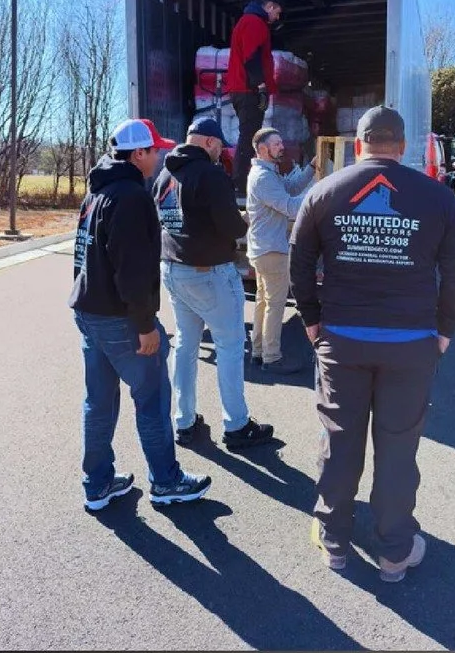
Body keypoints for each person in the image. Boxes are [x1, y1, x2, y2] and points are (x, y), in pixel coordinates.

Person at [290, 106, 455, 582]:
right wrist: (445, 329)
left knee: (340, 439)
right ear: (404, 146)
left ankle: (334, 540)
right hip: (411, 345)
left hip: (343, 341)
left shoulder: (324, 192)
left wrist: (312, 321)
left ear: (358, 144)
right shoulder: (437, 198)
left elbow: (300, 259)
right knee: (397, 448)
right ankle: (394, 550)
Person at [68, 119, 212, 510]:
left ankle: (97, 482)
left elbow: (82, 255)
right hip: (120, 318)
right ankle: (166, 481)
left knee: (98, 401)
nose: (160, 156)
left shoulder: (96, 193)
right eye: (155, 150)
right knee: (151, 399)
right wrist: (145, 325)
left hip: (89, 312)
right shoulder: (131, 197)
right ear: (138, 155)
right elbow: (131, 269)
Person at [157, 116, 277, 452]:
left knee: (185, 345)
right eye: (218, 145)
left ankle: (183, 420)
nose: (220, 151)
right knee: (229, 346)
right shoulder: (210, 175)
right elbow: (232, 229)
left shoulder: (166, 175)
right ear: (209, 142)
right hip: (209, 273)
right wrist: (244, 219)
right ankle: (236, 426)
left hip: (174, 269)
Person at [245, 125, 314, 373]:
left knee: (264, 302)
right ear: (262, 149)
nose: (281, 147)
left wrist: (311, 170)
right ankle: (272, 358)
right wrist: (319, 196)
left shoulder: (267, 173)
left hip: (264, 248)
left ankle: (258, 352)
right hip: (271, 250)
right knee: (274, 305)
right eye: (276, 144)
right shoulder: (263, 178)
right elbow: (291, 206)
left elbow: (291, 188)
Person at [225, 0, 284, 189]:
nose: (277, 17)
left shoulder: (250, 22)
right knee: (250, 136)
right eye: (277, 12)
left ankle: (241, 182)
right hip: (247, 90)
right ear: (269, 6)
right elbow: (251, 57)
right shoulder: (254, 23)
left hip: (242, 88)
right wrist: (260, 86)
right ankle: (241, 184)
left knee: (249, 134)